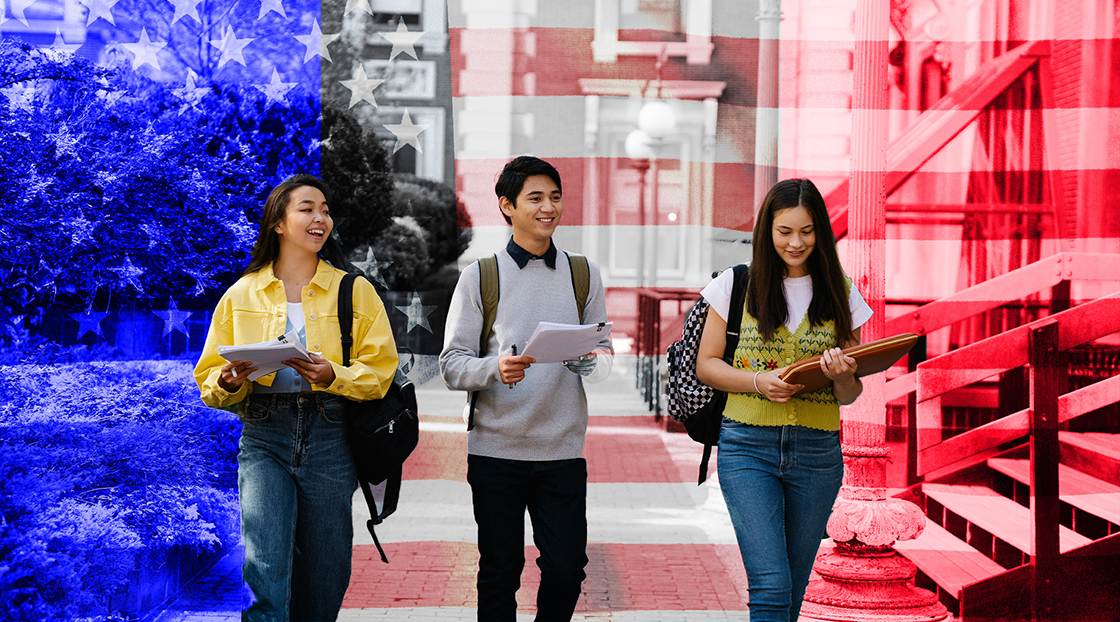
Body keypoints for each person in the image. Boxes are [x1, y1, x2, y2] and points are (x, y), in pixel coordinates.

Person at [193, 175, 399, 621]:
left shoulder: (354, 290)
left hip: (330, 435)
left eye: (324, 209)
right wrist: (230, 383)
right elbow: (210, 377)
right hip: (264, 433)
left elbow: (381, 373)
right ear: (279, 223)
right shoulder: (241, 293)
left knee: (326, 572)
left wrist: (333, 374)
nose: (320, 218)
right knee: (265, 567)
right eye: (307, 208)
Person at [440, 156, 613, 622]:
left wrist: (587, 361)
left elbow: (604, 357)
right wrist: (495, 368)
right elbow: (452, 365)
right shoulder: (481, 276)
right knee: (500, 570)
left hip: (561, 450)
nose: (548, 208)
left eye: (554, 197)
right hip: (496, 451)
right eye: (535, 198)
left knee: (566, 569)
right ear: (507, 206)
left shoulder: (584, 274)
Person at [695, 178, 873, 622]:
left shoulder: (842, 293)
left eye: (807, 232)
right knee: (772, 587)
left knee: (792, 592)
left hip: (818, 453)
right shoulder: (734, 285)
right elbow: (707, 365)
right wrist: (758, 382)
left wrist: (843, 376)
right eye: (784, 231)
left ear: (821, 233)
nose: (796, 242)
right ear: (766, 231)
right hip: (747, 448)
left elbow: (850, 395)